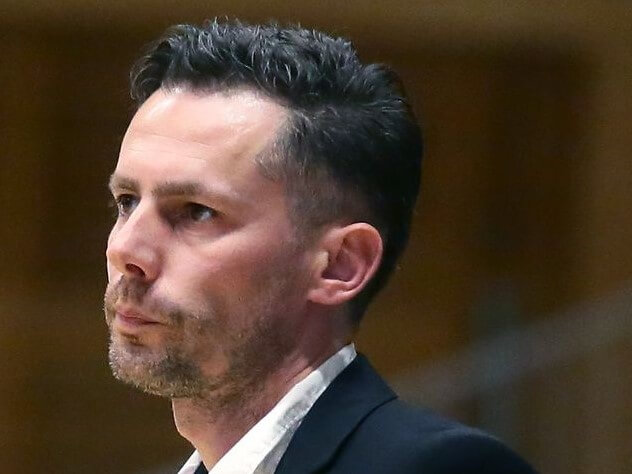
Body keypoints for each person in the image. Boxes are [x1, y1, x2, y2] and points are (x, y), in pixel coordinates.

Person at [103, 19, 535, 474]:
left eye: (198, 212)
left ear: (340, 265)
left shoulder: (441, 467)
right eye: (127, 201)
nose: (126, 249)